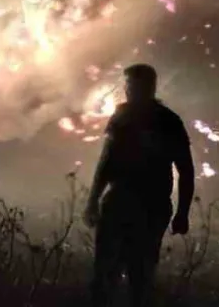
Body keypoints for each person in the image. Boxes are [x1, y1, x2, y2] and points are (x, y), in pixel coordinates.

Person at [83, 63, 195, 307]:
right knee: (105, 273)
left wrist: (183, 213)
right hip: (118, 203)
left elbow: (186, 170)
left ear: (149, 87)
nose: (128, 90)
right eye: (127, 85)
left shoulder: (167, 122)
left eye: (132, 85)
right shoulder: (121, 117)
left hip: (149, 207)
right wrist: (93, 201)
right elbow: (106, 162)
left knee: (140, 275)